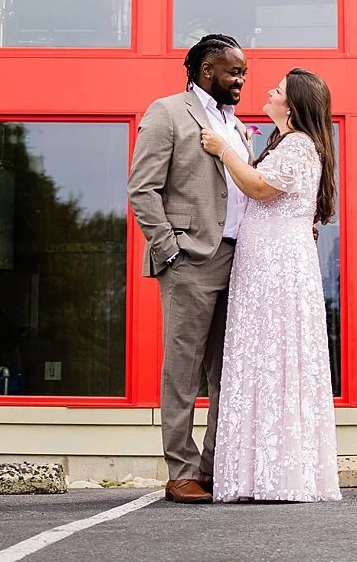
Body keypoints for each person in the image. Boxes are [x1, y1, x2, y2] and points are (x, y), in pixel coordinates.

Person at [199, 68, 341, 504]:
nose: (267, 92)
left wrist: (224, 149)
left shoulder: (298, 145)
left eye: (277, 91)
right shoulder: (287, 143)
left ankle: (277, 473)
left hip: (277, 267)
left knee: (276, 356)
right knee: (264, 358)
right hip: (264, 262)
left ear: (292, 107)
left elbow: (259, 187)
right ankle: (262, 471)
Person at [128, 34, 254, 504]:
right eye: (233, 71)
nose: (241, 79)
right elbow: (142, 189)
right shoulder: (167, 112)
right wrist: (170, 250)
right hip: (190, 260)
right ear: (206, 70)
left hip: (240, 261)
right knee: (182, 371)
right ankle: (180, 470)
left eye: (243, 72)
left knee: (228, 371)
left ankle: (212, 467)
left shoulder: (235, 123)